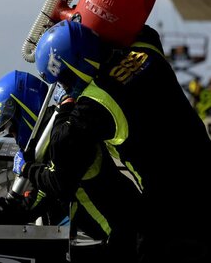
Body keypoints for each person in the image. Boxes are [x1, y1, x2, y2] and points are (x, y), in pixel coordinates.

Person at [21, 19, 211, 263]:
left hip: (172, 204)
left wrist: (28, 167)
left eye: (64, 81)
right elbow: (132, 27)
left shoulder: (94, 105)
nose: (65, 88)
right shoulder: (146, 49)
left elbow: (61, 178)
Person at [0, 70, 141, 263]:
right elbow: (36, 201)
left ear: (24, 111)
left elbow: (55, 187)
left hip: (125, 233)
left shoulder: (64, 132)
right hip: (111, 233)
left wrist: (27, 169)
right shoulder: (46, 139)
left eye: (12, 128)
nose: (13, 136)